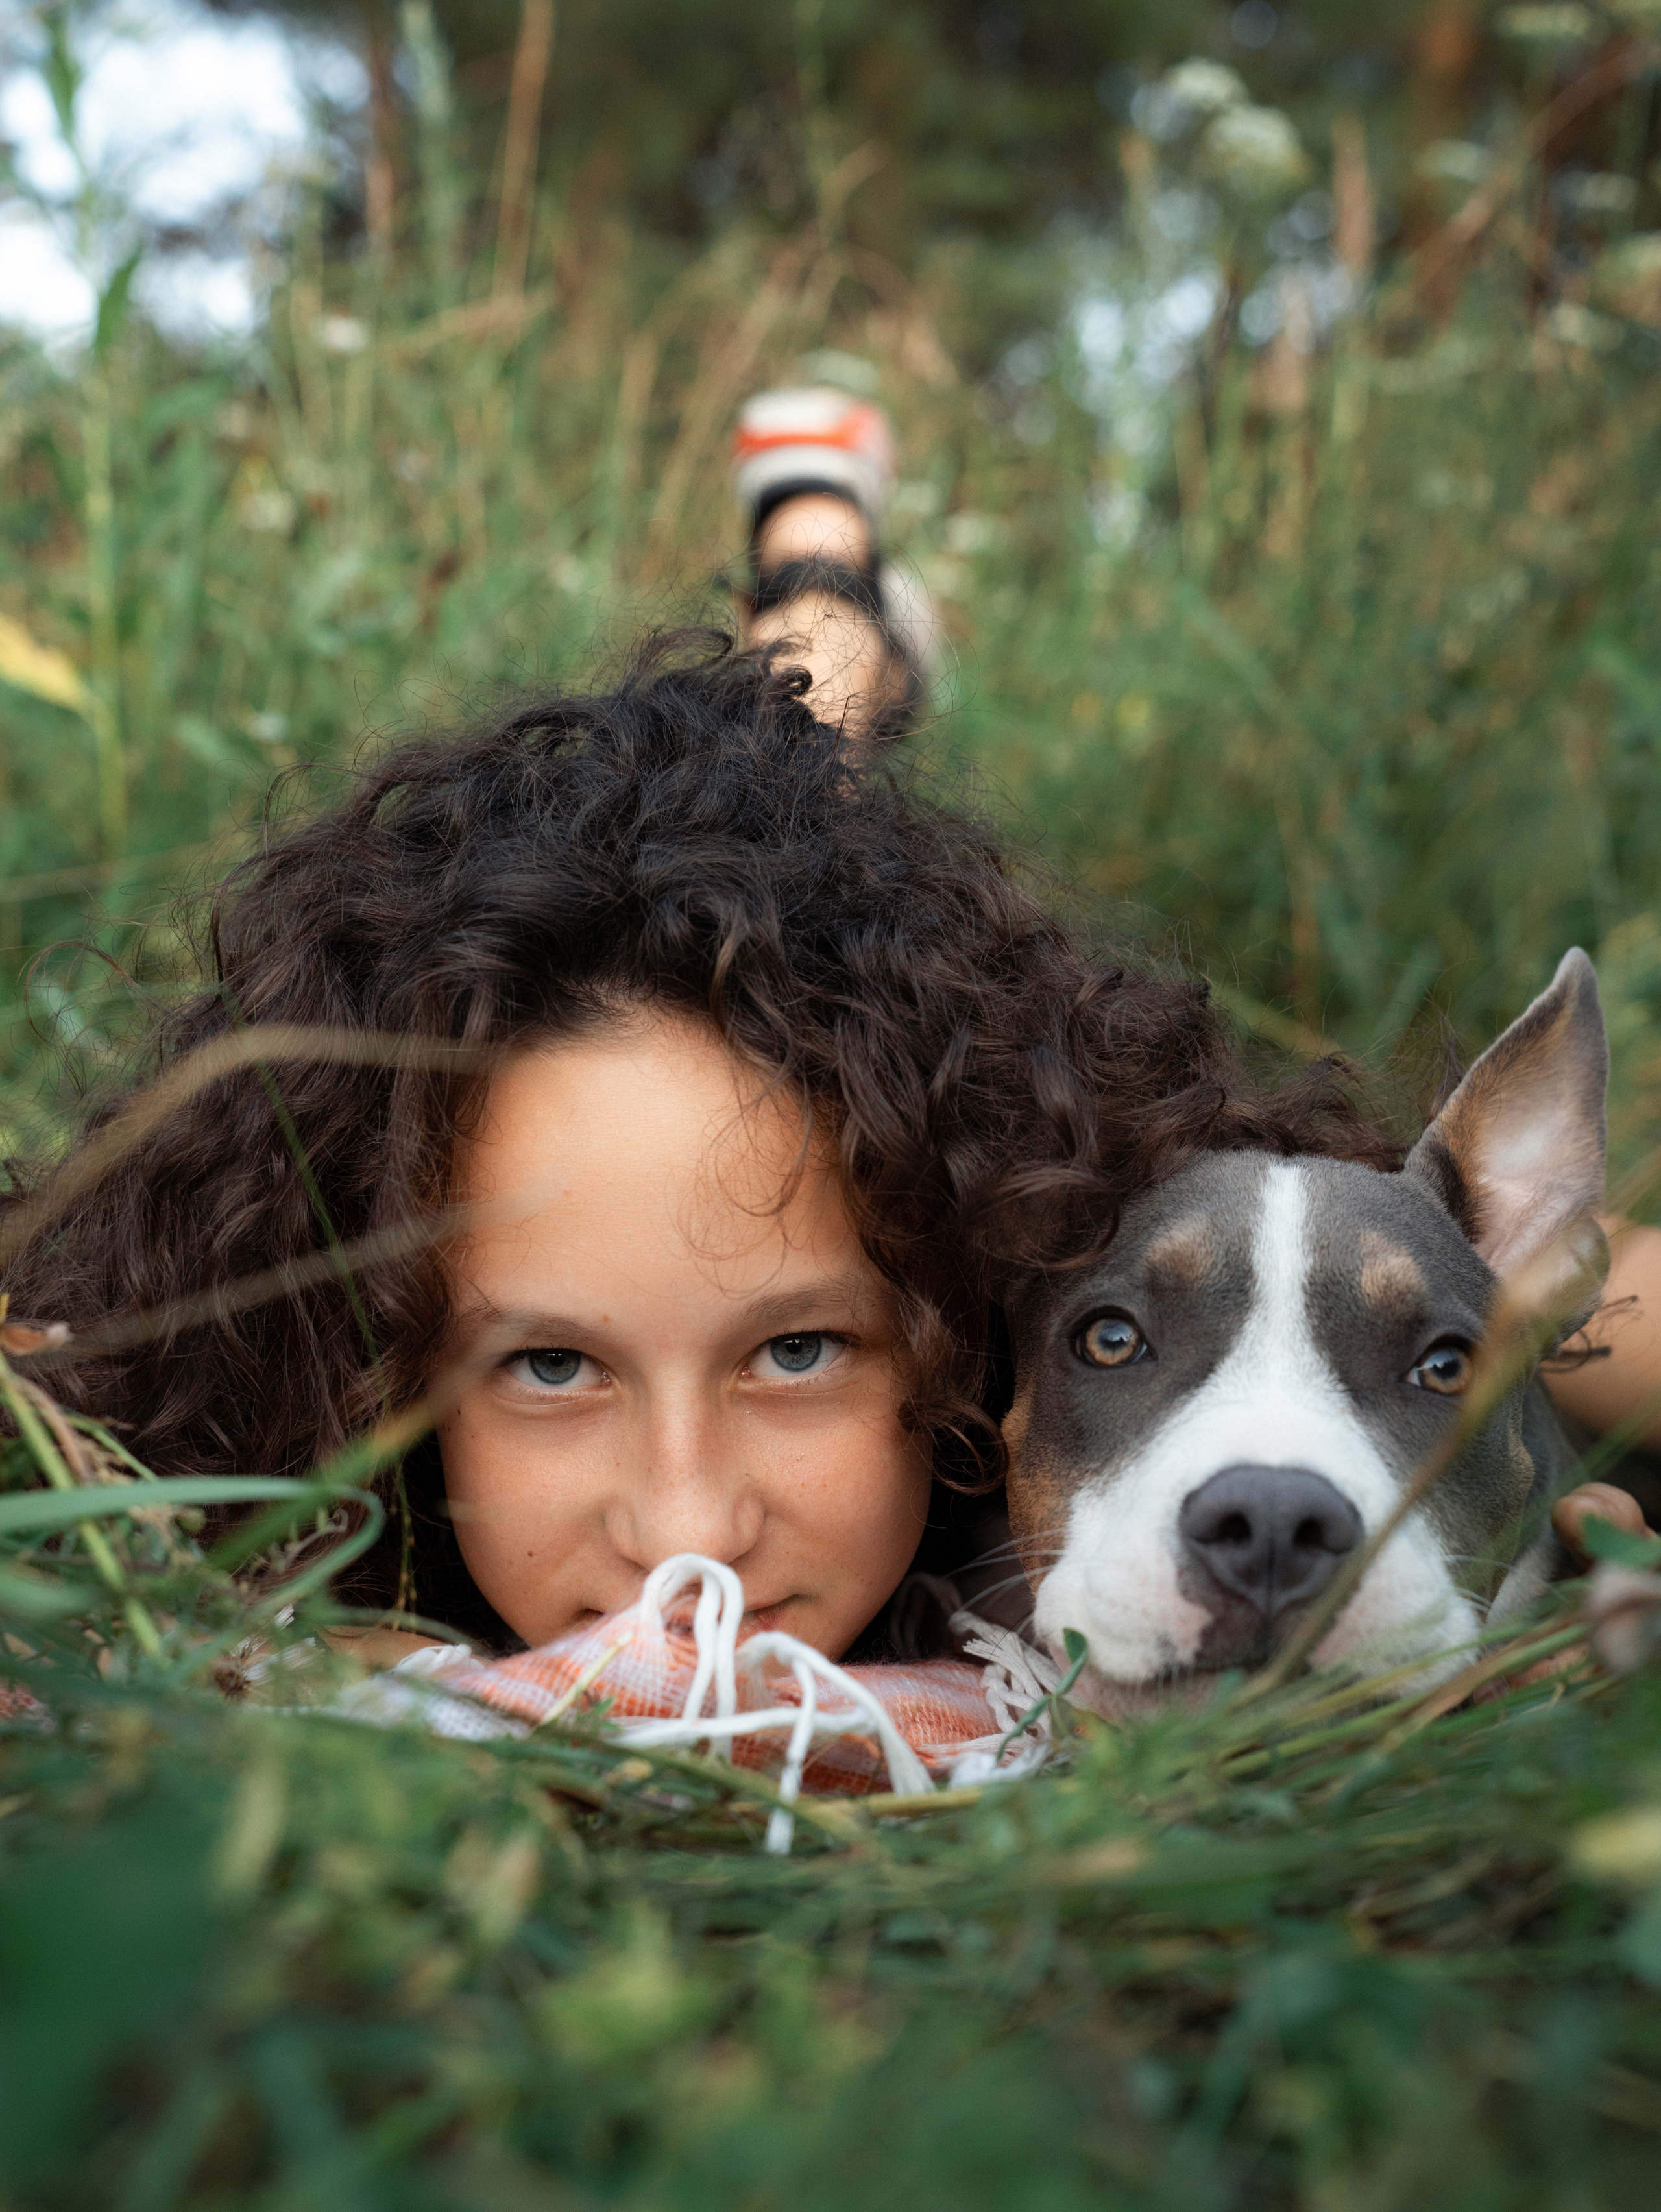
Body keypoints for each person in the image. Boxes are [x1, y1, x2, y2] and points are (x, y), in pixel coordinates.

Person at [0, 640, 1379, 1662]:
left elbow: (1543, 1289)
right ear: (382, 1381)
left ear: (969, 1310)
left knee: (822, 693)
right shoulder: (228, 1606)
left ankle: (836, 601)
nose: (688, 1534)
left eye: (798, 1351)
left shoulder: (1115, 1326)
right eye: (549, 1366)